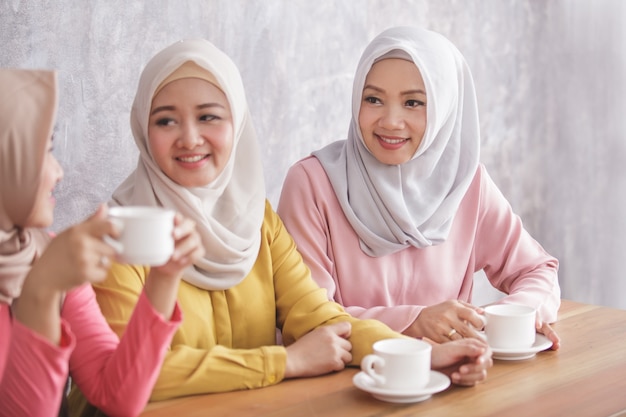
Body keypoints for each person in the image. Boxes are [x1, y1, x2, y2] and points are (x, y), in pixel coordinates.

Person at [68, 38, 493, 413]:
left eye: (209, 117)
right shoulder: (111, 237)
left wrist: (419, 356)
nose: (190, 138)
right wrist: (283, 363)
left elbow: (320, 318)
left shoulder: (258, 223)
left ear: (237, 125)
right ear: (143, 129)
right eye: (165, 121)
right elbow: (135, 376)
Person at [277, 26, 561, 348]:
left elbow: (538, 270)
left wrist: (509, 318)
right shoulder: (312, 184)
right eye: (373, 99)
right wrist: (414, 321)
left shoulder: (466, 185)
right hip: (345, 384)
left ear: (444, 108)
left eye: (413, 103)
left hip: (453, 379)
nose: (390, 121)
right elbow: (305, 319)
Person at [0, 68, 204, 416]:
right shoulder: (50, 269)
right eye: (45, 152)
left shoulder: (47, 255)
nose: (59, 172)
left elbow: (116, 395)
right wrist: (41, 290)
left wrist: (166, 276)